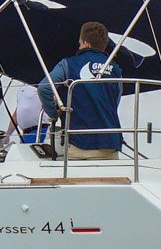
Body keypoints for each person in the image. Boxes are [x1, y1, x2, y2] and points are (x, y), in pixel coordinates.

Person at [37, 21, 128, 158]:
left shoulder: (67, 64)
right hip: (109, 144)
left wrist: (54, 114)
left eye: (80, 43)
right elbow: (114, 102)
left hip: (79, 145)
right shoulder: (116, 69)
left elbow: (44, 88)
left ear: (85, 43)